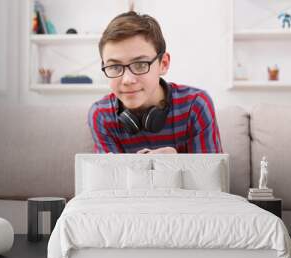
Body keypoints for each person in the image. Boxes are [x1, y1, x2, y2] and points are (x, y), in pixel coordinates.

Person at [88, 11, 222, 154]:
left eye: (140, 64)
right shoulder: (101, 115)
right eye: (114, 67)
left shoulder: (196, 105)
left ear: (163, 64)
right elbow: (110, 176)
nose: (127, 80)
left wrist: (176, 165)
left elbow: (211, 175)